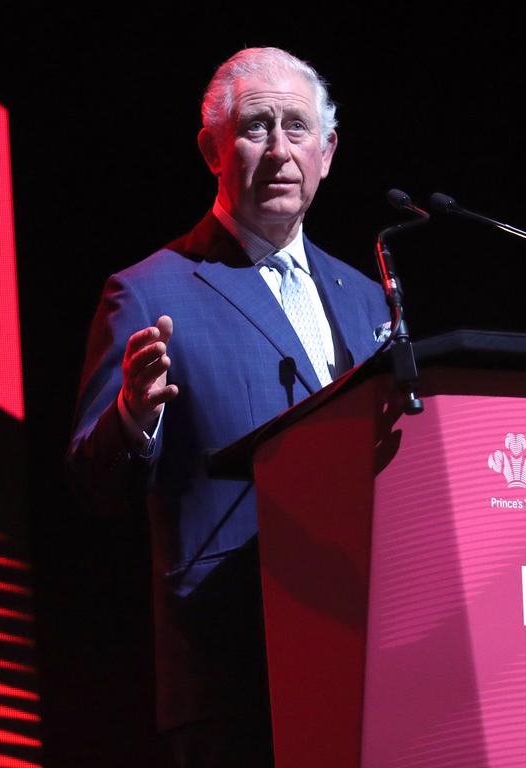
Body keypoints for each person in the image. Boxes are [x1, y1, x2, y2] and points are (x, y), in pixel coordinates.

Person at [67, 47, 390, 766]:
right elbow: (93, 484)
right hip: (235, 677)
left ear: (328, 151)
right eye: (256, 127)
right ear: (213, 150)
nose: (279, 148)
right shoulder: (152, 292)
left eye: (298, 127)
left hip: (368, 658)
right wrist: (133, 415)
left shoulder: (369, 298)